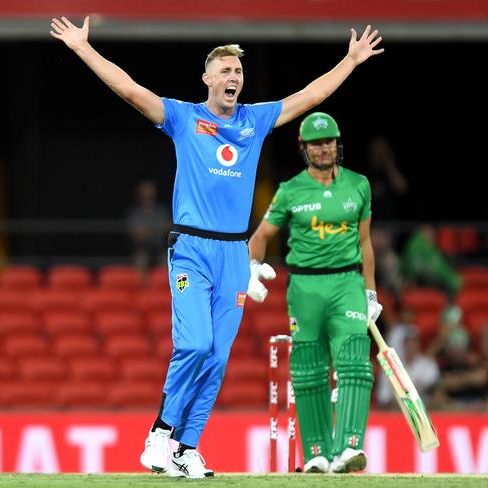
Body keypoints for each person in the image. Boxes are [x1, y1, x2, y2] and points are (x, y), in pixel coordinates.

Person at [50, 17, 383, 478]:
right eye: (224, 71)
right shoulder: (184, 118)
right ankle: (160, 435)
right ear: (207, 78)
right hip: (191, 247)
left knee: (218, 357)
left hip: (235, 255)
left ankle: (187, 448)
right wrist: (84, 50)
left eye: (238, 73)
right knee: (196, 343)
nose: (233, 78)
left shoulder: (255, 119)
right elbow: (129, 90)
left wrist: (349, 60)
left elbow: (311, 97)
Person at [247, 112, 383, 473]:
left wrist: (370, 293)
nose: (324, 149)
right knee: (308, 370)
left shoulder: (359, 185)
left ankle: (349, 448)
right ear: (303, 149)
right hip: (305, 286)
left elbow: (365, 241)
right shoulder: (290, 190)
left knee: (355, 363)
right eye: (315, 143)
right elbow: (260, 237)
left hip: (347, 283)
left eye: (329, 142)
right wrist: (250, 271)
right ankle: (317, 453)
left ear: (338, 144)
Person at [376, 326, 439, 409]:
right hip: (397, 410)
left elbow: (436, 390)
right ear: (403, 345)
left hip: (426, 410)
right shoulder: (389, 366)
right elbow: (382, 397)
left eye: (414, 342)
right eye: (408, 342)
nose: (411, 346)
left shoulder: (429, 365)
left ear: (418, 344)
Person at [399, 224, 462, 301]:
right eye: (432, 234)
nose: (434, 237)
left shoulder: (410, 244)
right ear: (424, 231)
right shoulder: (425, 247)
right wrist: (456, 281)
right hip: (425, 291)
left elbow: (403, 267)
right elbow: (445, 274)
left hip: (414, 291)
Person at [125, 180, 171, 275]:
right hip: (142, 248)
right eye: (144, 194)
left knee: (166, 260)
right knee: (141, 260)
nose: (147, 196)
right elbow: (136, 234)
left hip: (160, 247)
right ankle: (143, 289)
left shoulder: (161, 211)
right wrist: (155, 230)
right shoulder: (134, 213)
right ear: (139, 195)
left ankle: (163, 288)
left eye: (150, 194)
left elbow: (167, 227)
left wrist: (147, 231)